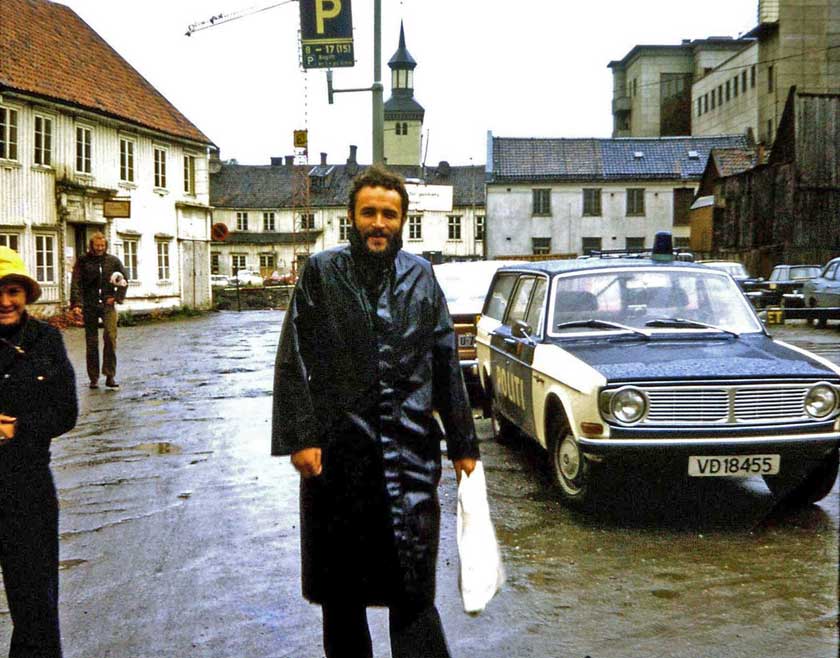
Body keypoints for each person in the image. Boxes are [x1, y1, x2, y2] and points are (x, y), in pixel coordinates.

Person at [272, 166, 479, 658]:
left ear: (403, 219)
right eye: (369, 212)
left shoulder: (421, 277)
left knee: (413, 593)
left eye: (389, 213)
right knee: (342, 598)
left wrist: (464, 445)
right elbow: (293, 356)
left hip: (409, 458)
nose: (379, 223)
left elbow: (445, 360)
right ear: (352, 218)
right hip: (339, 464)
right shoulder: (322, 274)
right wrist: (301, 438)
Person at [0, 246, 78, 657]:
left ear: (26, 295)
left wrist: (18, 428)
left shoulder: (46, 341)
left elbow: (66, 412)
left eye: (13, 291)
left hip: (27, 487)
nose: (4, 302)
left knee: (35, 604)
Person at [70, 233, 127, 389]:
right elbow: (76, 282)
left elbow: (124, 280)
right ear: (91, 245)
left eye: (102, 246)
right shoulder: (83, 261)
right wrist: (76, 304)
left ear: (106, 246)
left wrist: (116, 297)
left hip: (107, 305)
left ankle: (110, 375)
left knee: (110, 337)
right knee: (92, 342)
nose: (100, 248)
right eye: (97, 246)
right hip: (90, 305)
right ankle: (93, 378)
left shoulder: (113, 261)